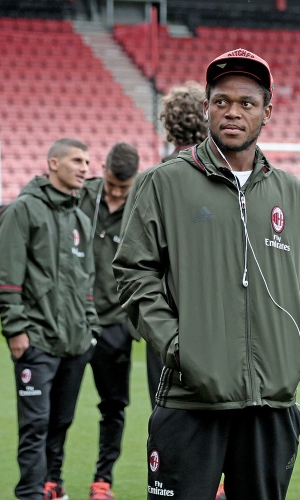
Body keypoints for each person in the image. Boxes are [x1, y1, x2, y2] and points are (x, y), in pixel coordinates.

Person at [113, 48, 300, 500]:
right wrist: (179, 348)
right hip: (191, 399)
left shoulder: (294, 193)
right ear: (206, 108)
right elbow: (133, 273)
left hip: (271, 404)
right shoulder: (165, 182)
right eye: (222, 101)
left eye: (247, 103)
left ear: (267, 112)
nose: (233, 112)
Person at [0, 138, 100, 500]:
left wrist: (90, 329)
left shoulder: (80, 218)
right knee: (35, 424)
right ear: (53, 163)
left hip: (76, 341)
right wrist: (15, 329)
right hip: (36, 339)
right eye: (77, 160)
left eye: (87, 162)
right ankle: (30, 492)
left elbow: (87, 282)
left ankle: (52, 485)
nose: (85, 168)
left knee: (61, 422)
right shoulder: (22, 210)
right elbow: (7, 276)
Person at [122, 81, 208, 409]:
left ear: (168, 125)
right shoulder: (228, 177)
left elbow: (131, 259)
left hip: (164, 322)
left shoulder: (151, 179)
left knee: (165, 415)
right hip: (217, 318)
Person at [78, 142, 140, 500]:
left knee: (113, 407)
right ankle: (50, 478)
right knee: (57, 408)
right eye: (112, 184)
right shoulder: (80, 197)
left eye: (123, 187)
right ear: (102, 170)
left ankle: (103, 480)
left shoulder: (143, 202)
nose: (116, 192)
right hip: (75, 320)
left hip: (116, 323)